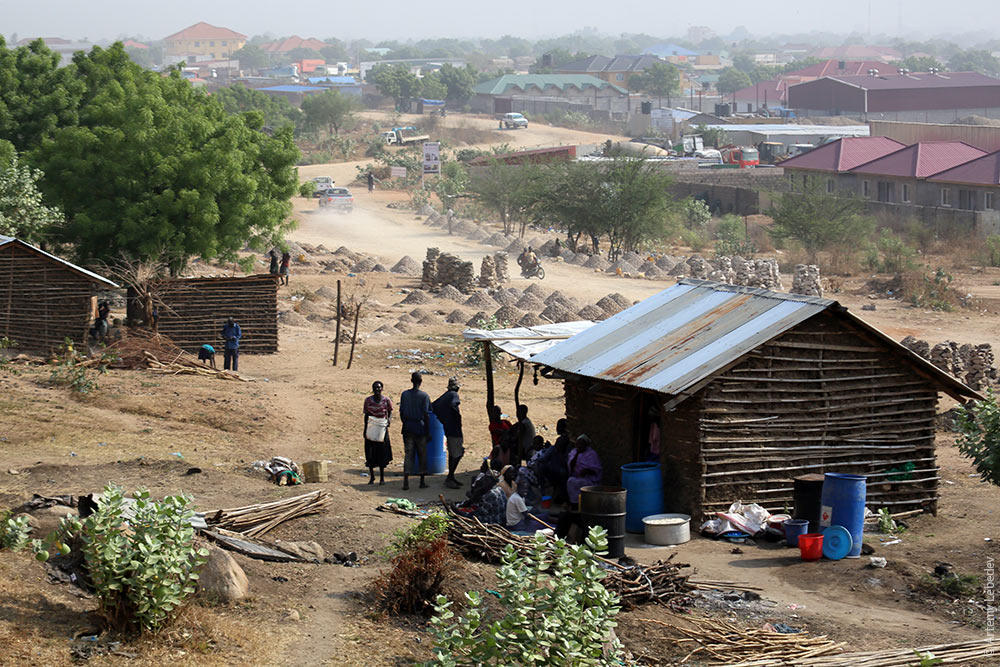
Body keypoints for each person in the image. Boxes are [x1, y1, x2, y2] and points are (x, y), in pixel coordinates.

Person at [399, 371, 431, 491]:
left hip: (407, 427)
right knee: (422, 454)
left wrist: (406, 423)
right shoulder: (424, 396)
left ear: (411, 381)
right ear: (421, 382)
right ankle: (422, 482)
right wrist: (428, 432)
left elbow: (401, 412)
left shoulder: (404, 394)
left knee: (408, 454)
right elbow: (426, 415)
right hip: (420, 428)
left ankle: (406, 481)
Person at [432, 377, 464, 489]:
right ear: (457, 387)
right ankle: (450, 477)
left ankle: (451, 476)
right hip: (454, 429)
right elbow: (453, 405)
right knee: (458, 453)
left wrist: (443, 418)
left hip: (448, 428)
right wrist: (455, 417)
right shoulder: (453, 395)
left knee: (453, 453)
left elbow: (433, 405)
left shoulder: (445, 395)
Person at [363, 380, 393, 485]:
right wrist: (365, 429)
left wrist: (388, 420)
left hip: (382, 428)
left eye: (379, 387)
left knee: (382, 453)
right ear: (372, 389)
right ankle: (372, 477)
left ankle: (382, 478)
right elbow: (366, 415)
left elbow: (390, 411)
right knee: (370, 454)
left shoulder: (386, 400)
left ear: (382, 389)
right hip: (371, 427)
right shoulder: (368, 401)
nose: (377, 389)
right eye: (375, 388)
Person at [566, 434, 602, 505]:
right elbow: (571, 466)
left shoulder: (591, 454)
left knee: (583, 484)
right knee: (570, 481)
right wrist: (577, 454)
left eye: (582, 444)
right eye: (578, 444)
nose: (579, 446)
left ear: (586, 445)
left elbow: (597, 469)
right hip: (576, 477)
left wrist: (587, 471)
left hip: (589, 479)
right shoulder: (574, 452)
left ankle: (585, 504)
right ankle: (575, 503)